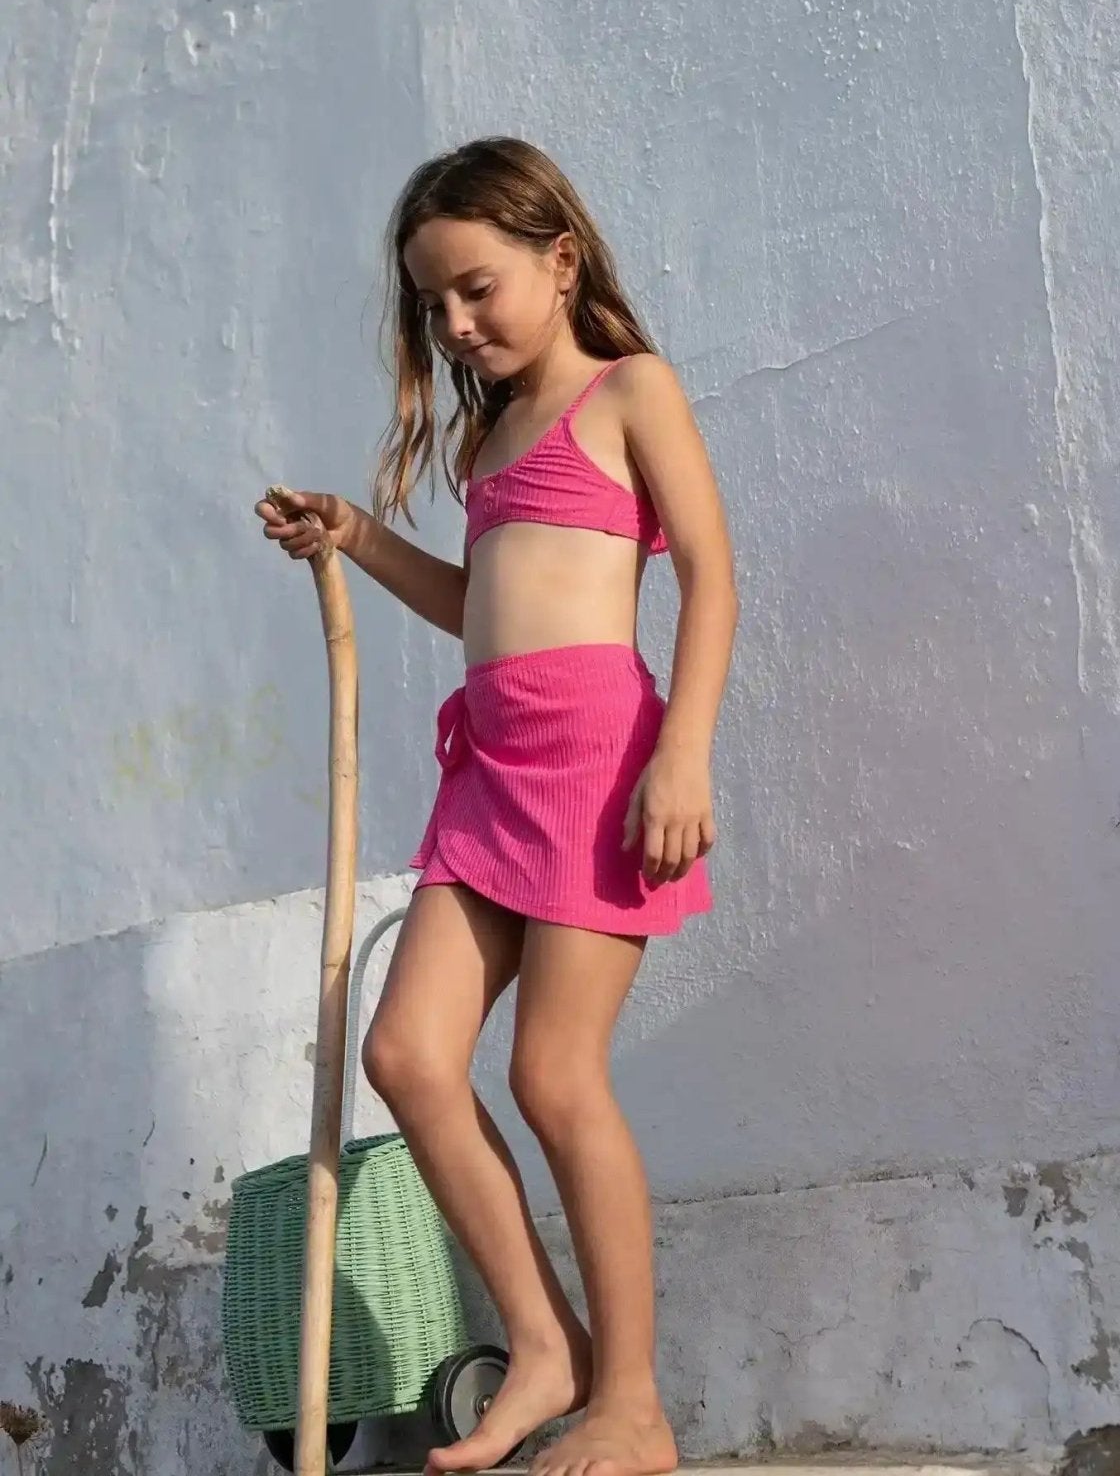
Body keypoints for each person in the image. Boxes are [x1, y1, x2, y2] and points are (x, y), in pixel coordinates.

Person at [255, 137, 739, 1476]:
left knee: (549, 1072)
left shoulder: (629, 391)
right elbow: (482, 611)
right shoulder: (494, 435)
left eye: (477, 288)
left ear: (560, 259)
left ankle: (630, 1400)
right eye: (435, 306)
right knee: (407, 1057)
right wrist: (357, 535)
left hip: (598, 763)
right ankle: (545, 1344)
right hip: (489, 772)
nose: (458, 323)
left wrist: (682, 749)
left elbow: (708, 574)